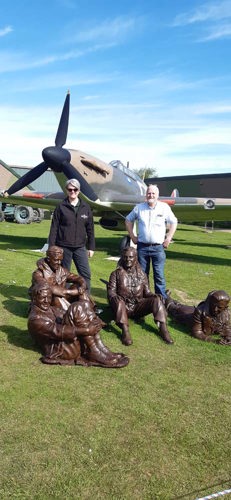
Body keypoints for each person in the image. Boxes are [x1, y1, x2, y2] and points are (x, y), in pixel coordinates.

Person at [28, 282, 129, 368]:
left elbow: (63, 313)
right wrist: (86, 330)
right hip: (61, 350)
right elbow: (57, 331)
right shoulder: (35, 319)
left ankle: (102, 350)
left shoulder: (48, 308)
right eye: (43, 298)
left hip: (66, 341)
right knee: (76, 308)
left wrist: (92, 319)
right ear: (34, 298)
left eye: (49, 297)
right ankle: (94, 351)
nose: (46, 301)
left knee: (83, 304)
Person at [107, 246, 173, 346]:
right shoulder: (115, 274)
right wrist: (115, 297)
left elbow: (147, 293)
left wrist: (154, 296)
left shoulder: (142, 274)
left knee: (156, 300)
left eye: (130, 257)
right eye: (125, 257)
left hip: (138, 307)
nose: (128, 259)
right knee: (118, 300)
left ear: (135, 258)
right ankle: (125, 331)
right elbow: (111, 292)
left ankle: (163, 329)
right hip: (123, 308)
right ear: (122, 258)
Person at [125, 184, 177, 299]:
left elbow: (174, 222)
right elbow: (128, 220)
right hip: (142, 247)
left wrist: (168, 238)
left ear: (157, 195)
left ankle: (161, 300)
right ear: (146, 194)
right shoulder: (139, 208)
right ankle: (143, 299)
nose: (151, 195)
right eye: (149, 193)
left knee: (159, 276)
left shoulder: (164, 207)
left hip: (158, 248)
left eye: (153, 193)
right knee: (142, 275)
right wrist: (132, 236)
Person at [48, 178, 95, 292]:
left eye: (75, 189)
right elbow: (54, 228)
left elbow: (90, 229)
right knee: (62, 275)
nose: (72, 191)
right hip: (63, 247)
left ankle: (86, 300)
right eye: (70, 189)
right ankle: (62, 301)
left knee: (85, 274)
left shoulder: (86, 207)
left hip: (80, 247)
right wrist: (51, 248)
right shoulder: (61, 207)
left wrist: (91, 247)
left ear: (79, 191)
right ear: (66, 190)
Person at [165, 290, 231, 344]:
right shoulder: (200, 311)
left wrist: (229, 336)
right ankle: (166, 296)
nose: (215, 309)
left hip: (191, 310)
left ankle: (173, 300)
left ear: (225, 307)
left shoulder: (227, 313)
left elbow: (227, 328)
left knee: (180, 305)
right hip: (187, 315)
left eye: (219, 307)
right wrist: (214, 341)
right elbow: (196, 333)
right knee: (173, 307)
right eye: (214, 305)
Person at [29, 245, 84, 311]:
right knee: (56, 297)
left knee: (80, 290)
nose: (59, 263)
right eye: (56, 260)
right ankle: (71, 313)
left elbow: (77, 278)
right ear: (49, 259)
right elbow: (48, 288)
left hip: (62, 297)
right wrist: (70, 292)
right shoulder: (38, 273)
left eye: (60, 260)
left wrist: (82, 285)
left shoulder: (62, 271)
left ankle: (89, 311)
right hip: (46, 301)